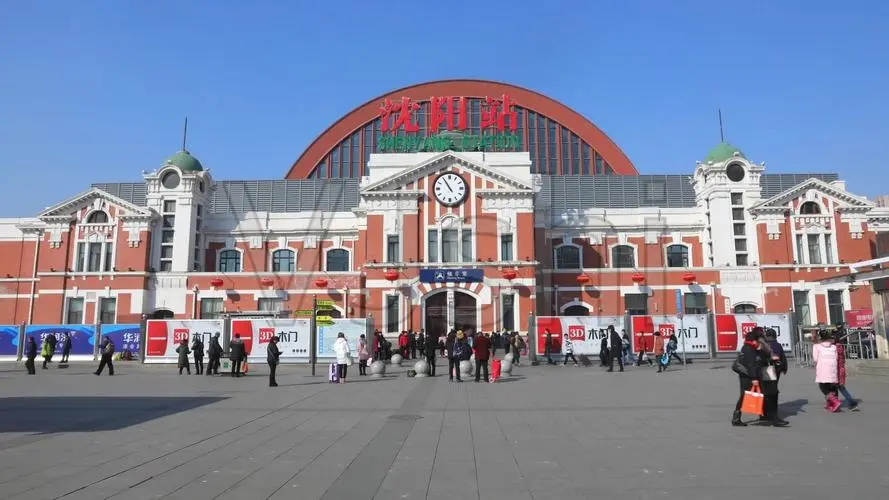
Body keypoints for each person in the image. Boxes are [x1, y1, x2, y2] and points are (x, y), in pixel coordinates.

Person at [762, 328, 789, 425]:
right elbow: (782, 358)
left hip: (764, 371)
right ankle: (774, 416)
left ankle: (764, 413)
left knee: (765, 392)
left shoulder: (763, 345)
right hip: (774, 372)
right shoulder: (777, 345)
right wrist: (784, 369)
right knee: (773, 393)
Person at [813, 330, 842, 412]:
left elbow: (815, 359)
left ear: (820, 337)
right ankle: (830, 403)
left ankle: (835, 401)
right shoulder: (833, 347)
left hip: (822, 368)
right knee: (832, 385)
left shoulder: (816, 346)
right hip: (833, 367)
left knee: (822, 386)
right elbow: (836, 357)